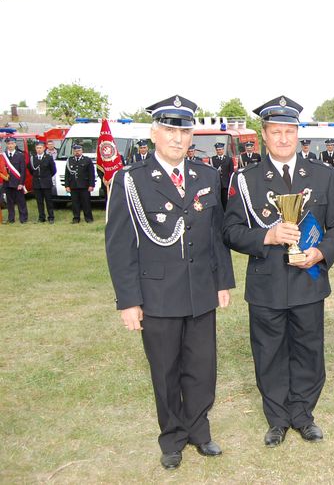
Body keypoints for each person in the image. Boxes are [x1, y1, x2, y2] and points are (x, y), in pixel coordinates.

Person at [105, 94, 235, 470]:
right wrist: (128, 301)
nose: (178, 139)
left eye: (184, 131)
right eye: (169, 131)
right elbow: (120, 247)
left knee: (202, 367)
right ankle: (172, 437)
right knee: (165, 370)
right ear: (154, 133)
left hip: (199, 292)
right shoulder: (131, 180)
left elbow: (215, 236)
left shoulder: (206, 175)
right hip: (157, 294)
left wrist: (222, 282)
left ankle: (199, 430)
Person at [224, 95, 334, 447]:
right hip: (267, 285)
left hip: (308, 281)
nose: (283, 138)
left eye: (289, 131)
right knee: (269, 353)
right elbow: (230, 230)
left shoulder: (322, 176)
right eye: (276, 132)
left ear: (298, 134)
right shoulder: (247, 180)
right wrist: (267, 235)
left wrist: (320, 253)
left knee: (310, 352)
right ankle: (277, 418)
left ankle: (303, 415)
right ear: (264, 135)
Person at [27, 140, 57, 223]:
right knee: (39, 202)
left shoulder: (48, 157)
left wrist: (46, 177)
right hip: (37, 183)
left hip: (46, 183)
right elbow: (30, 169)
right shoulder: (33, 158)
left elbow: (53, 170)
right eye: (37, 148)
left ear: (44, 148)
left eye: (40, 148)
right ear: (35, 149)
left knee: (48, 201)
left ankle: (51, 217)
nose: (39, 149)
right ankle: (41, 217)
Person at [64, 143, 95, 223]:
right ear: (73, 151)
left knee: (86, 203)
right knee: (75, 203)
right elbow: (67, 174)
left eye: (79, 150)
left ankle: (88, 218)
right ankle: (76, 218)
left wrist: (91, 185)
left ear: (82, 151)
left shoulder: (87, 160)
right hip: (73, 185)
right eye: (75, 151)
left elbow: (91, 173)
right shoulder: (70, 160)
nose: (77, 152)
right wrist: (67, 185)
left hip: (84, 185)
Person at [2, 136, 28, 223]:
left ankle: (23, 218)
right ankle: (11, 218)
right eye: (8, 144)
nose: (10, 145)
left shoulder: (20, 155)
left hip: (17, 183)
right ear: (6, 144)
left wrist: (21, 183)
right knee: (9, 202)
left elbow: (23, 170)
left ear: (15, 144)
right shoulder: (3, 156)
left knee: (21, 201)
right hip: (7, 182)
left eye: (12, 144)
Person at [211, 142, 233, 209]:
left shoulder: (228, 159)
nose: (219, 151)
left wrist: (231, 183)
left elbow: (231, 172)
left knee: (225, 201)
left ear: (223, 150)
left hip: (225, 184)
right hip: (216, 183)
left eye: (220, 149)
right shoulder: (213, 159)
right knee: (217, 201)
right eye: (218, 150)